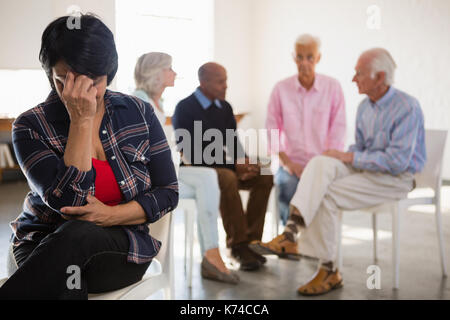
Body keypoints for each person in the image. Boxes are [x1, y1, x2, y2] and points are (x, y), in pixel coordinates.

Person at [0, 14, 178, 299]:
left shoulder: (139, 112)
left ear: (109, 73)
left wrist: (111, 215)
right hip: (44, 242)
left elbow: (169, 192)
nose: (82, 93)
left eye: (94, 81)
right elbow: (69, 203)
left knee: (78, 233)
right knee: (66, 279)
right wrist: (80, 122)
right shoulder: (30, 125)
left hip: (121, 247)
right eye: (65, 82)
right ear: (50, 75)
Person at [251, 48, 426, 296]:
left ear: (379, 77)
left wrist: (350, 156)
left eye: (359, 73)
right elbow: (362, 149)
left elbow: (397, 162)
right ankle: (290, 233)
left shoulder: (407, 107)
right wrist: (345, 156)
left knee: (327, 192)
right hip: (367, 171)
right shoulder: (365, 106)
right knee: (322, 161)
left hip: (396, 179)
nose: (354, 78)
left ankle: (329, 269)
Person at [132, 52, 239, 284]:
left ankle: (212, 254)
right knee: (209, 182)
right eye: (169, 68)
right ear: (156, 73)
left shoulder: (156, 102)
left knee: (209, 180)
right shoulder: (140, 101)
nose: (175, 73)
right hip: (147, 181)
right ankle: (212, 255)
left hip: (163, 173)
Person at [172, 62, 274, 271]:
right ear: (203, 82)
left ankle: (252, 242)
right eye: (221, 82)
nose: (226, 86)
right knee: (227, 177)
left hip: (224, 166)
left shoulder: (224, 107)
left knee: (265, 175)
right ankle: (237, 246)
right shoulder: (184, 108)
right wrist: (234, 166)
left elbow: (233, 143)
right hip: (196, 170)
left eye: (226, 80)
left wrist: (245, 163)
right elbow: (191, 154)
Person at [266, 34, 346, 226]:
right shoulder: (280, 89)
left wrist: (320, 163)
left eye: (310, 57)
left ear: (318, 58)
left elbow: (338, 129)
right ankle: (290, 240)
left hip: (322, 164)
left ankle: (314, 243)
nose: (304, 62)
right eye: (300, 57)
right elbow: (271, 130)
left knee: (324, 192)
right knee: (288, 186)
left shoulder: (333, 87)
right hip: (291, 164)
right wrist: (287, 163)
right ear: (294, 58)